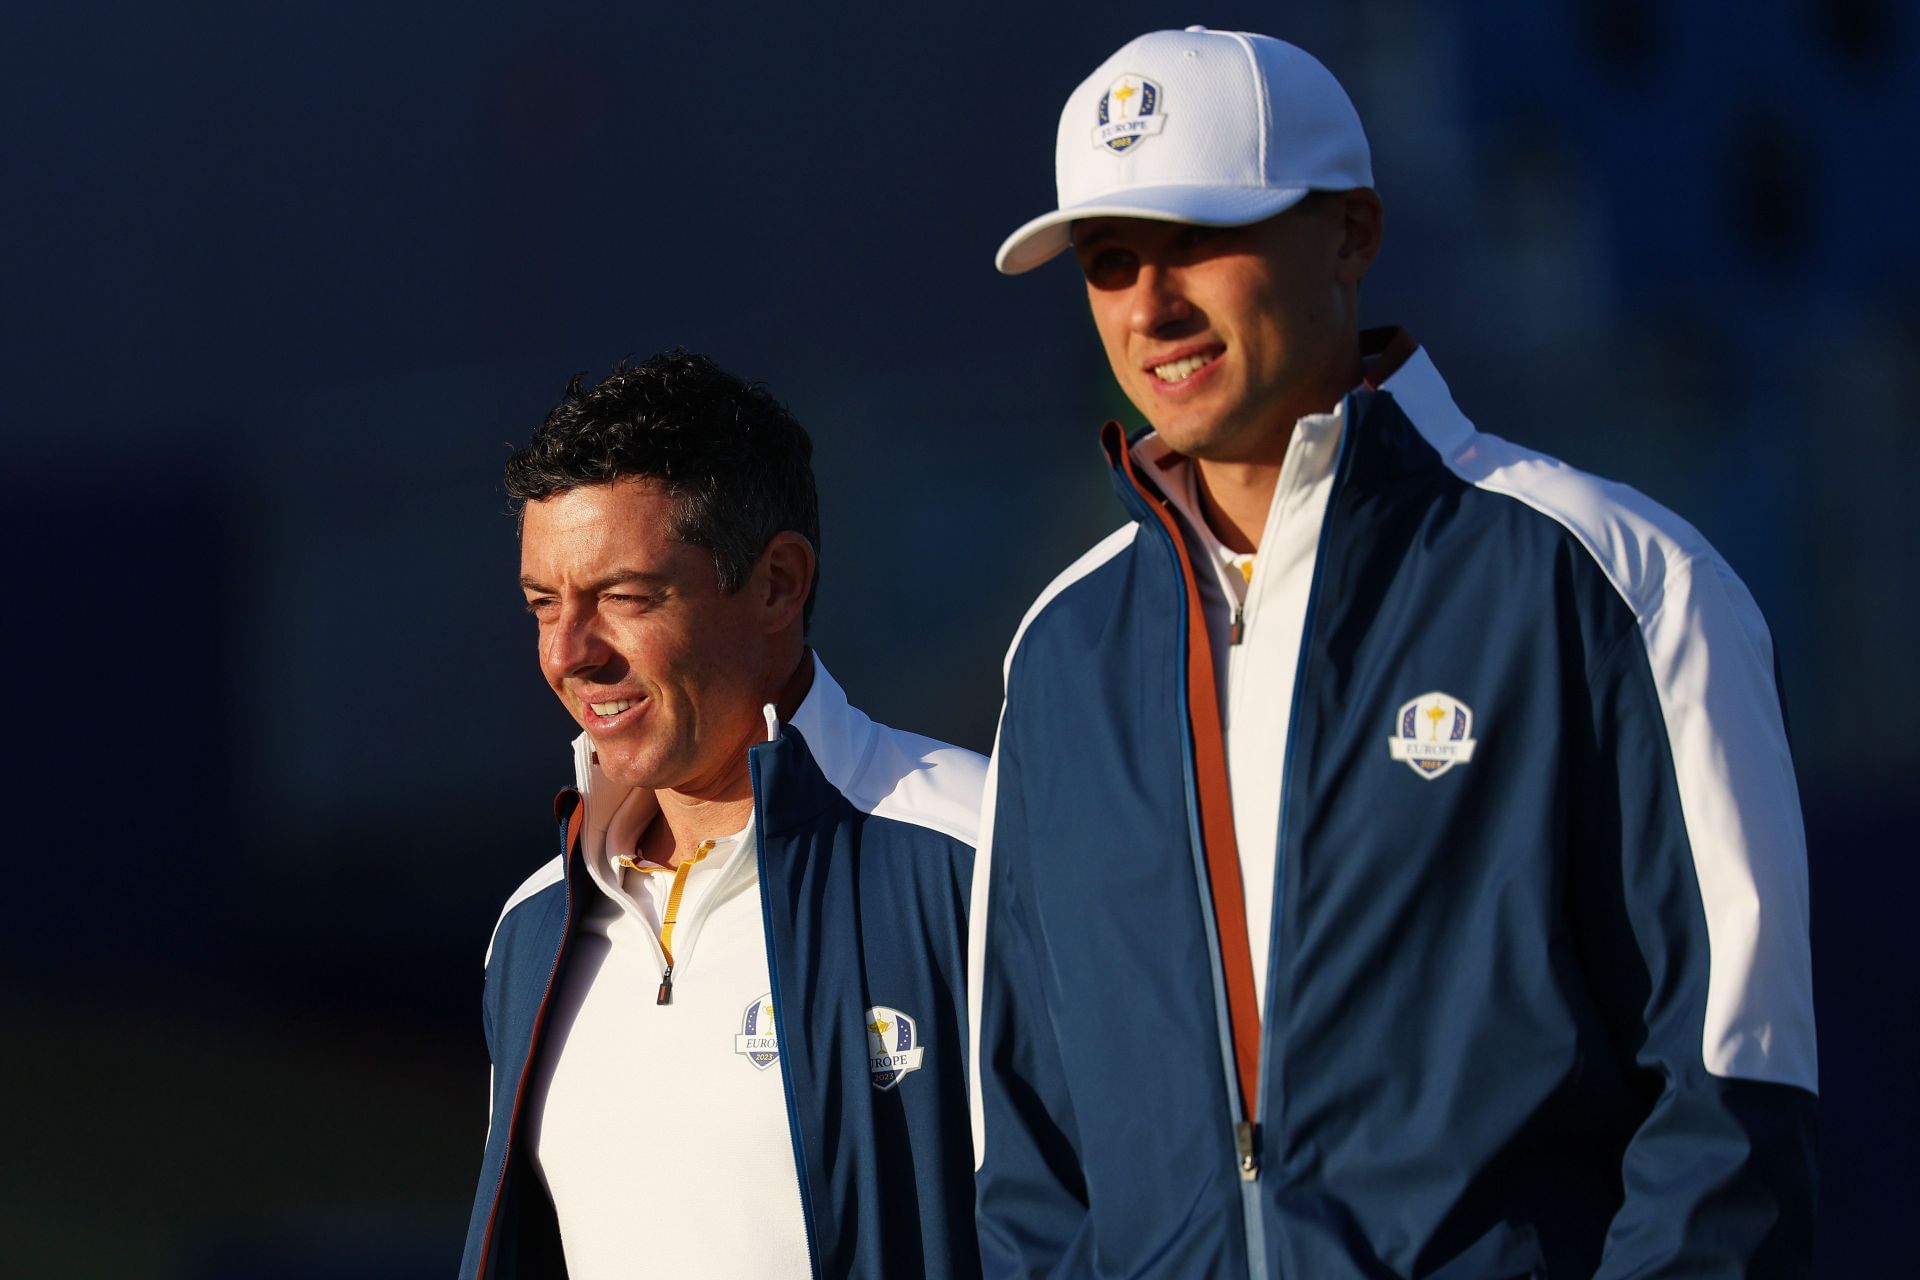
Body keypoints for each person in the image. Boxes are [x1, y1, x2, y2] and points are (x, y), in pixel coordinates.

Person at [968, 27, 1816, 1278]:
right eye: (1108, 261)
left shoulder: (1615, 581)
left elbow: (1730, 1105)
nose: (1151, 305)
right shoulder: (1060, 653)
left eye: (1197, 240)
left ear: (1353, 233)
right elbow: (1033, 1164)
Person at [458, 350, 985, 1279]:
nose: (570, 653)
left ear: (778, 582)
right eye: (545, 604)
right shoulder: (533, 927)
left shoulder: (979, 851)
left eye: (625, 598)